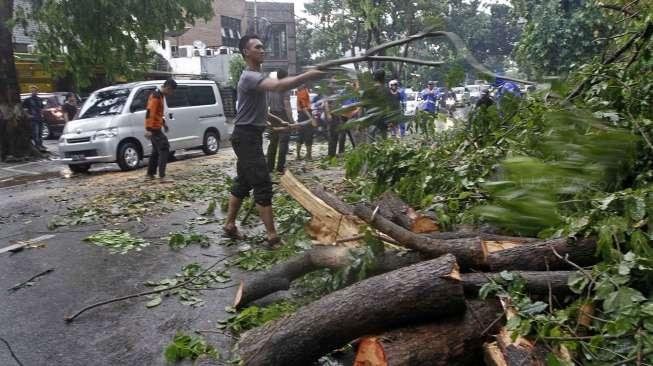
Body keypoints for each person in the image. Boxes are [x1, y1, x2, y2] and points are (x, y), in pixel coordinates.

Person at [223, 34, 324, 247]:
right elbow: (279, 86)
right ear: (246, 52)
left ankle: (230, 225)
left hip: (248, 136)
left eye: (262, 47)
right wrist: (306, 76)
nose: (263, 50)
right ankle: (272, 236)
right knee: (262, 183)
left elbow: (258, 110)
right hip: (246, 138)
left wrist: (280, 122)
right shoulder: (250, 76)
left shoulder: (255, 76)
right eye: (257, 47)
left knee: (243, 182)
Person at [144, 78, 177, 181]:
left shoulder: (161, 95)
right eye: (171, 91)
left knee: (155, 151)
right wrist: (148, 129)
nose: (171, 94)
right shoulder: (156, 96)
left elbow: (159, 113)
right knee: (164, 148)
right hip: (153, 128)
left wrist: (164, 124)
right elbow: (150, 113)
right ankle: (162, 176)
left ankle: (150, 174)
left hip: (156, 127)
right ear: (168, 88)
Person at [266, 69, 294, 173]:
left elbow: (267, 104)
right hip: (283, 116)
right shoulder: (285, 87)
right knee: (283, 143)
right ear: (285, 76)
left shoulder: (271, 88)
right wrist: (291, 120)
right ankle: (280, 167)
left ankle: (269, 167)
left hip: (272, 115)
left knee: (273, 142)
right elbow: (287, 105)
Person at [22, 85, 46, 151]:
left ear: (37, 91)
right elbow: (23, 109)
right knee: (35, 132)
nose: (33, 92)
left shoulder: (40, 99)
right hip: (33, 119)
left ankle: (41, 145)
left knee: (40, 132)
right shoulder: (27, 100)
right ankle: (37, 145)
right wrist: (28, 115)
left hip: (40, 118)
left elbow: (42, 108)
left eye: (35, 91)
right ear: (30, 91)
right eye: (32, 91)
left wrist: (42, 114)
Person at [295, 83, 314, 160]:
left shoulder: (299, 92)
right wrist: (311, 118)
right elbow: (304, 107)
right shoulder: (303, 92)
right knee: (308, 135)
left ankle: (298, 155)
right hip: (305, 115)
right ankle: (308, 155)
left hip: (301, 116)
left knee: (300, 135)